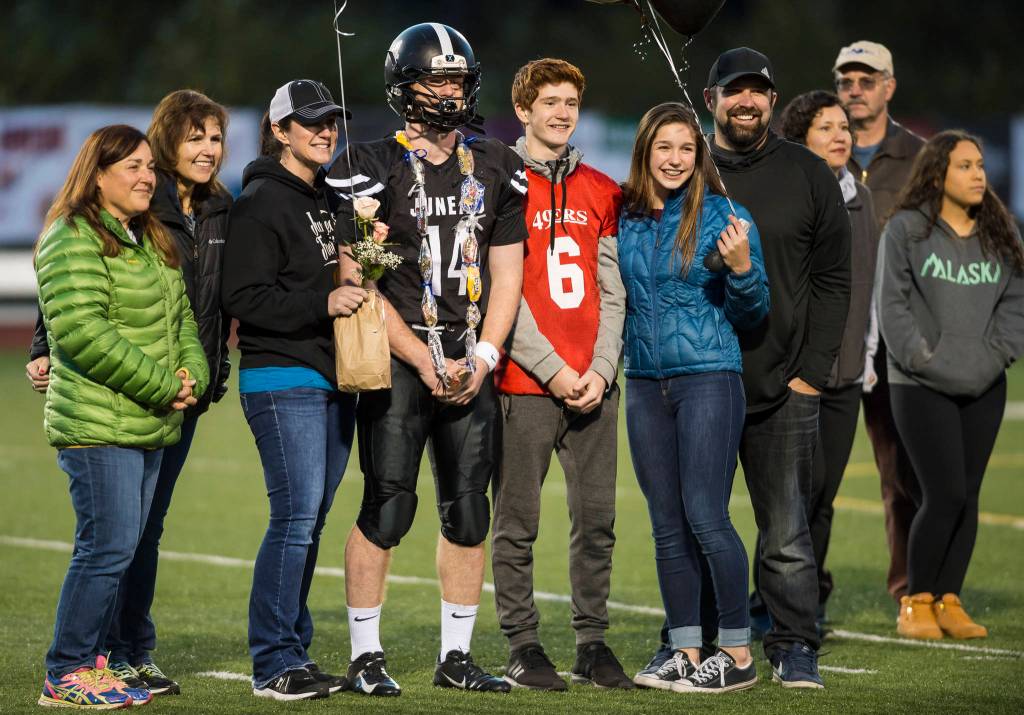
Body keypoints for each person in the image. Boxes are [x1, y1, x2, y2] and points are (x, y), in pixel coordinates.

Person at [635, 47, 851, 689]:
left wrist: (812, 370)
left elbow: (836, 278)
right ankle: (693, 640)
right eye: (735, 91)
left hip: (782, 380)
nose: (747, 100)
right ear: (713, 100)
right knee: (690, 518)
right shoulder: (687, 178)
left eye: (758, 90)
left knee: (784, 531)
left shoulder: (807, 173)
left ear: (773, 100)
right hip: (693, 379)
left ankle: (792, 644)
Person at [327, 23, 524, 696]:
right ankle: (364, 654)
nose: (448, 91)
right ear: (404, 85)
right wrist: (420, 358)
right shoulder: (369, 162)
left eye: (456, 79)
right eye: (435, 79)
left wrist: (486, 356)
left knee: (469, 510)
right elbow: (361, 279)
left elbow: (507, 271)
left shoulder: (498, 165)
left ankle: (456, 656)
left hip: (471, 355)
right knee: (387, 505)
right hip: (398, 355)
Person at [26, 90, 234, 696]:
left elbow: (184, 318)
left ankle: (95, 665)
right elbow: (83, 332)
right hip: (99, 420)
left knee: (120, 547)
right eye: (135, 168)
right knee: (107, 548)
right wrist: (164, 384)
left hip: (147, 418)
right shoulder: (71, 236)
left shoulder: (148, 236)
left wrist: (191, 373)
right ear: (97, 177)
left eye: (149, 166)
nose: (148, 177)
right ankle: (67, 672)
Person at [490, 58, 631, 691]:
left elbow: (614, 289)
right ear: (523, 109)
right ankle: (522, 643)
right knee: (517, 521)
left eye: (571, 101)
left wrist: (600, 369)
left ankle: (592, 642)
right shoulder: (499, 183)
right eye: (548, 101)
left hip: (595, 384)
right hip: (527, 382)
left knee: (596, 519)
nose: (561, 112)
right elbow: (502, 295)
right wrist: (554, 371)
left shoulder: (603, 189)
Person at [221, 79, 364, 701]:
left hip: (333, 376)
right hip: (282, 375)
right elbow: (243, 298)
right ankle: (273, 660)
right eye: (311, 122)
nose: (326, 131)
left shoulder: (329, 199)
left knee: (311, 519)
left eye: (331, 120)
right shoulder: (258, 201)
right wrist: (322, 299)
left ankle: (292, 651)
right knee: (296, 518)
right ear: (279, 131)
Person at [620, 101, 769, 694]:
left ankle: (735, 653)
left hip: (709, 377)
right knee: (666, 524)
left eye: (686, 147)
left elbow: (754, 312)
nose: (675, 159)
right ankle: (684, 648)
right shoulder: (627, 216)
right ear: (645, 153)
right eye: (664, 148)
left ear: (699, 153)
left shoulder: (726, 217)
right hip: (643, 385)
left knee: (707, 515)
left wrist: (741, 270)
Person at [877, 130, 1024, 640]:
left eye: (980, 164)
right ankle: (916, 602)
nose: (978, 174)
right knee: (944, 492)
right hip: (920, 384)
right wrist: (925, 358)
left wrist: (995, 356)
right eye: (965, 165)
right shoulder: (906, 230)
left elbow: (1015, 305)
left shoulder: (1001, 233)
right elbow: (892, 307)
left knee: (970, 496)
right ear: (938, 174)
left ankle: (949, 599)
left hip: (985, 382)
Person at [779, 91, 880, 627]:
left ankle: (807, 599)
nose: (841, 135)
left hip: (844, 373)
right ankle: (778, 600)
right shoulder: (793, 195)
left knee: (822, 496)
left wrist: (868, 352)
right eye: (826, 127)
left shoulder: (860, 199)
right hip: (797, 371)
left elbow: (870, 288)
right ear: (800, 139)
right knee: (792, 498)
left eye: (844, 127)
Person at [834, 40, 926, 604]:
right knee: (812, 476)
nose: (855, 90)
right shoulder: (817, 151)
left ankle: (910, 587)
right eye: (846, 81)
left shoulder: (922, 158)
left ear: (889, 87)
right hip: (834, 335)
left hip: (897, 337)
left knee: (904, 475)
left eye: (867, 81)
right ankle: (800, 592)